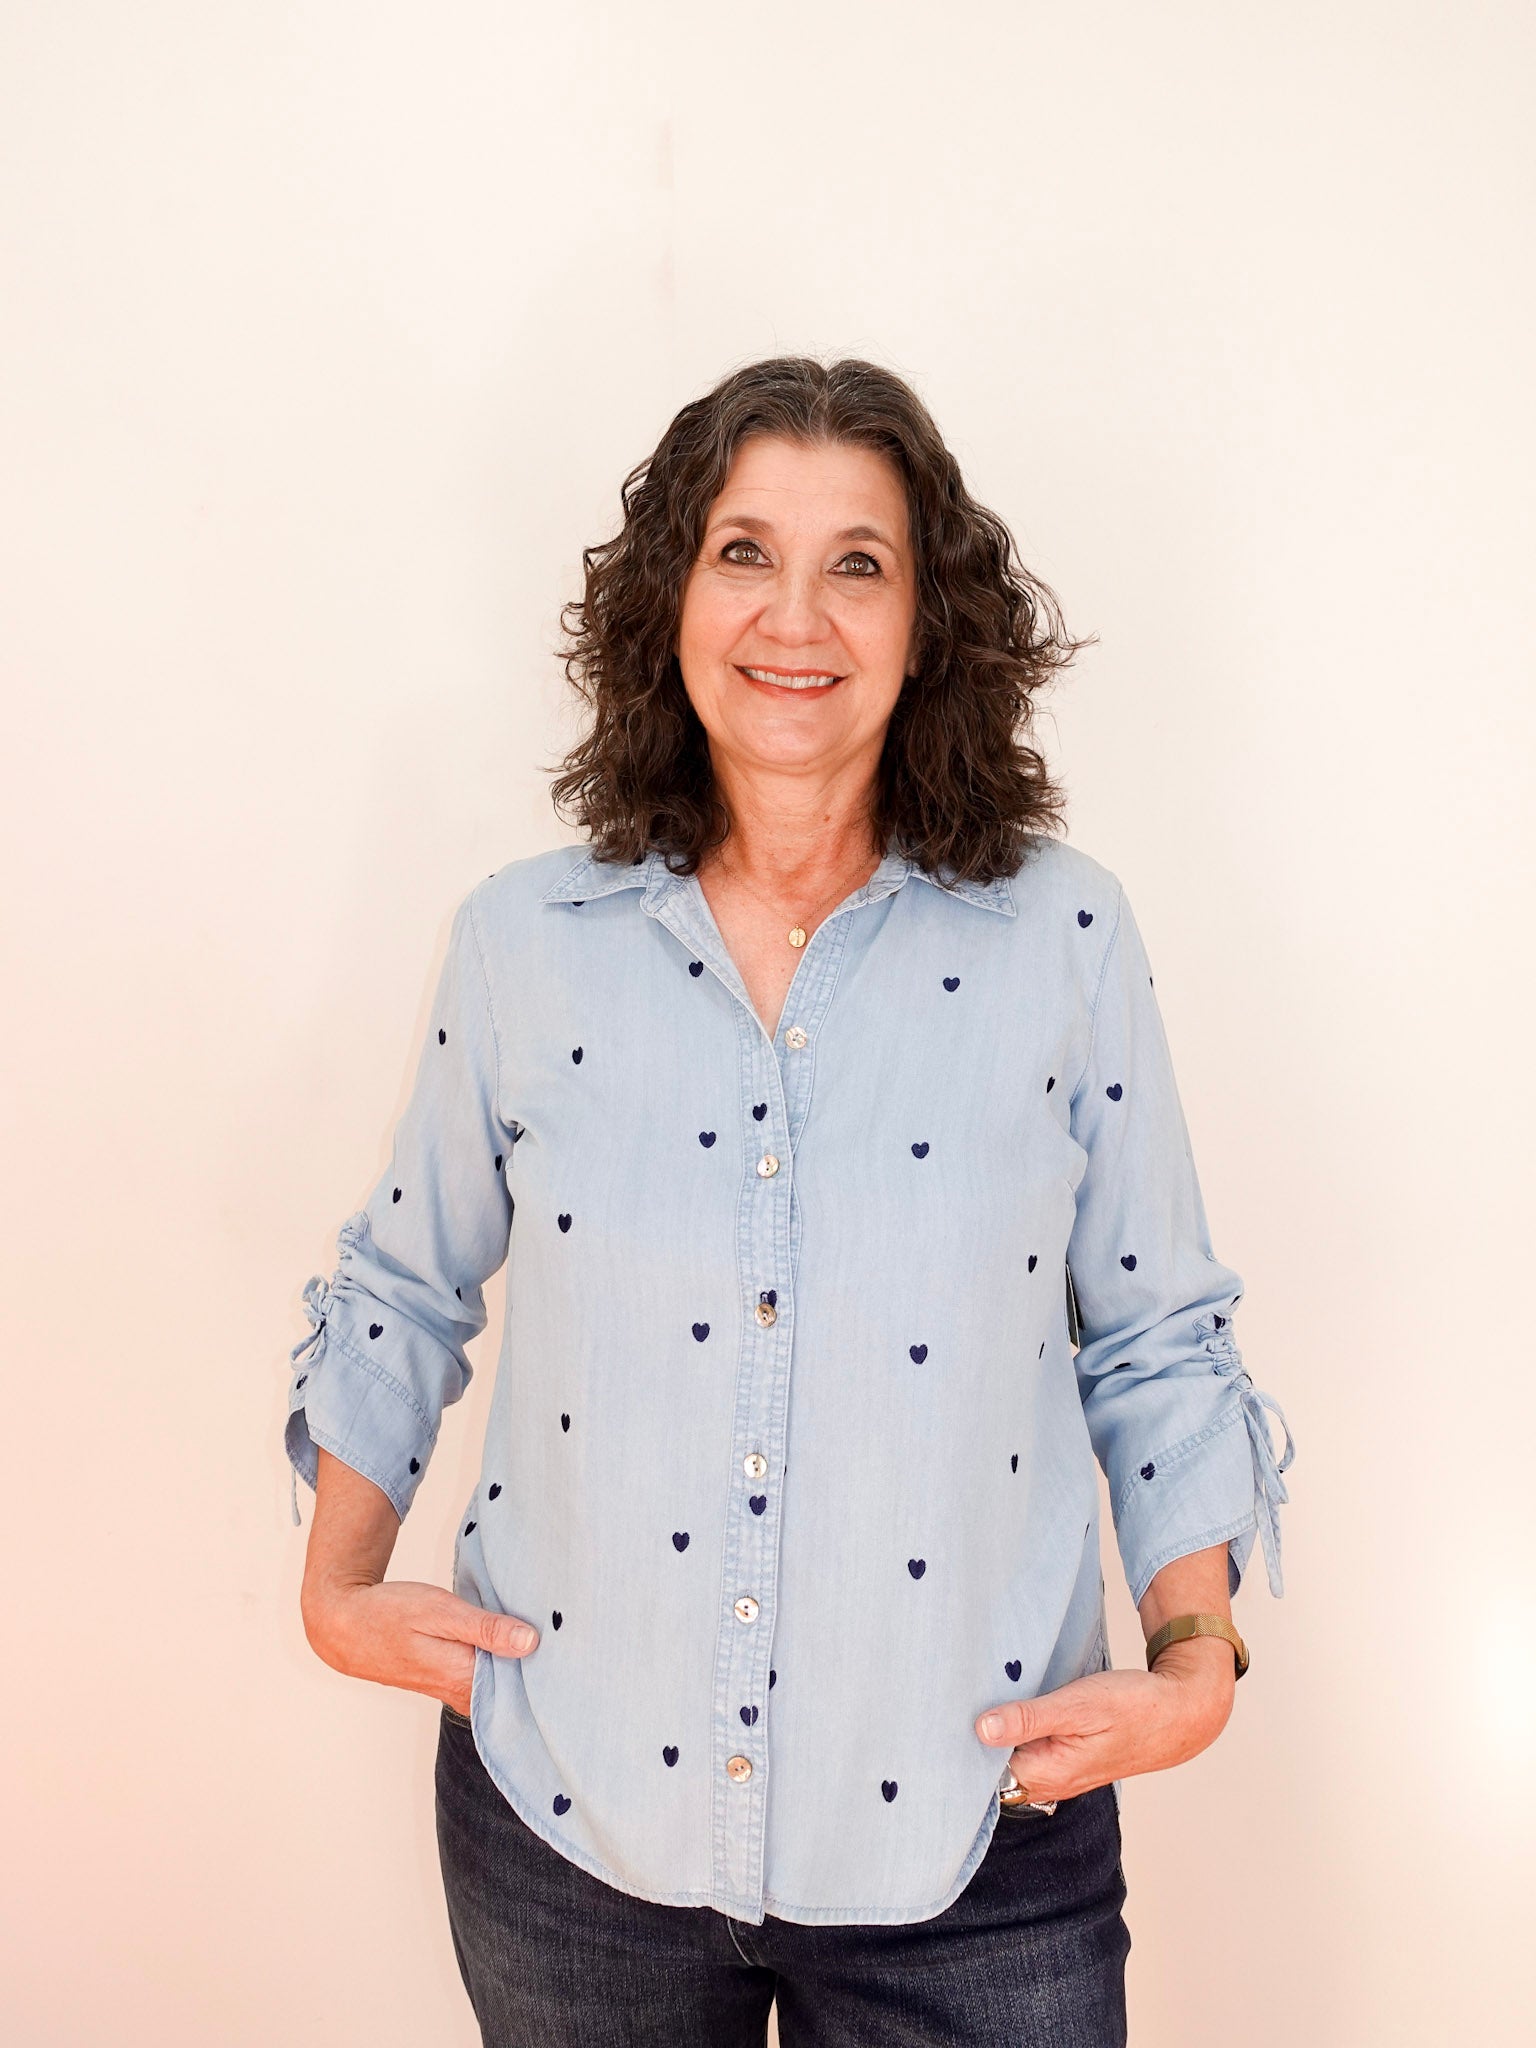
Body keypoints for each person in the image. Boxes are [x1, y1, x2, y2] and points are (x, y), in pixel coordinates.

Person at [285, 355, 1296, 2046]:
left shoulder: (1063, 940)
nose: (795, 615)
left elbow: (1155, 1329)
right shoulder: (526, 943)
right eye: (744, 549)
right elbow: (402, 1282)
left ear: (928, 623)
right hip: (571, 1840)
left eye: (859, 562)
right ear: (671, 597)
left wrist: (1196, 1652)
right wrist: (336, 1588)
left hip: (983, 1850)